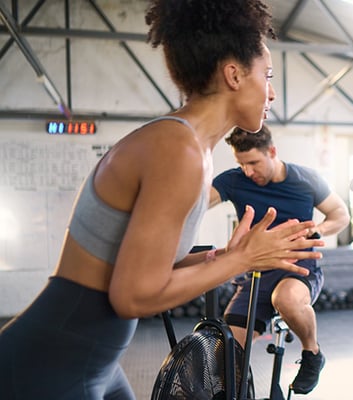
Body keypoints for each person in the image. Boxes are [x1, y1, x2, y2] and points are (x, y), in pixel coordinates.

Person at [0, 2, 325, 399]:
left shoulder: (189, 147)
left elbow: (146, 263)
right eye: (268, 76)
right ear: (234, 74)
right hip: (52, 361)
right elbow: (132, 295)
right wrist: (242, 261)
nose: (272, 91)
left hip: (92, 359)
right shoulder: (178, 151)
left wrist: (222, 255)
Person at [209, 125, 349, 394]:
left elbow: (340, 214)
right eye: (242, 164)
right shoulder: (234, 181)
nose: (249, 171)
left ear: (272, 152)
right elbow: (195, 204)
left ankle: (312, 354)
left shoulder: (306, 179)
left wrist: (317, 230)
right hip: (257, 269)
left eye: (253, 163)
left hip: (298, 265)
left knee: (285, 299)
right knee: (228, 352)